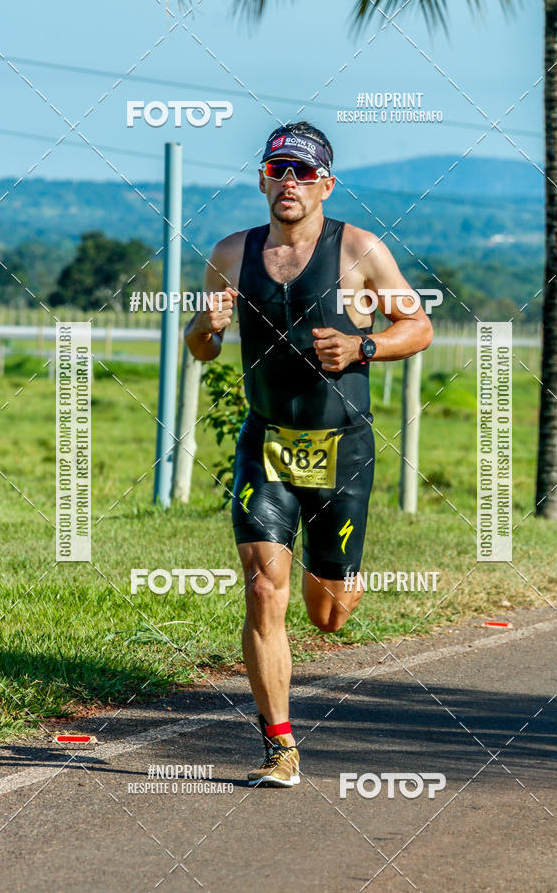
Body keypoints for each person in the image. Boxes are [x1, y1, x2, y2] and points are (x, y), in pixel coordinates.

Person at [185, 121, 433, 787]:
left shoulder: (360, 250)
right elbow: (200, 346)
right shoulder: (232, 253)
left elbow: (419, 324)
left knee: (329, 614)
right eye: (277, 170)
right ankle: (279, 746)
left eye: (302, 172)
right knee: (265, 590)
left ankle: (341, 578)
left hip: (342, 450)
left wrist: (365, 347)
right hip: (265, 442)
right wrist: (205, 329)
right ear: (263, 178)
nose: (288, 183)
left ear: (325, 182)